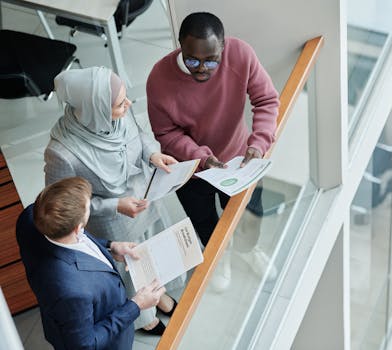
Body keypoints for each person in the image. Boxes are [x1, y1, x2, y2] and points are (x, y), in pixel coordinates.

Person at [147, 12, 279, 290]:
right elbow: (166, 133)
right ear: (180, 45)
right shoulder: (159, 79)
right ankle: (221, 256)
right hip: (193, 172)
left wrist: (258, 144)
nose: (202, 69)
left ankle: (247, 250)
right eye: (192, 59)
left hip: (241, 161)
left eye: (212, 60)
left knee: (250, 215)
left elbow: (266, 99)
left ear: (223, 48)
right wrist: (201, 157)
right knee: (206, 221)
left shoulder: (241, 54)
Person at [44, 67, 176, 333]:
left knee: (152, 248)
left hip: (144, 198)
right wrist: (114, 205)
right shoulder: (62, 153)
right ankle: (145, 317)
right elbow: (61, 206)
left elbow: (139, 135)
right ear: (95, 108)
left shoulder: (120, 116)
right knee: (130, 267)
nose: (128, 105)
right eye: (119, 104)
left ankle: (157, 293)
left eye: (126, 98)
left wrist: (152, 155)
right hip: (114, 222)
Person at [16, 177, 166, 350]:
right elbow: (85, 345)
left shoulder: (31, 215)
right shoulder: (72, 291)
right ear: (78, 228)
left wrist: (111, 246)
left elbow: (77, 239)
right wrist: (136, 305)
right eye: (88, 208)